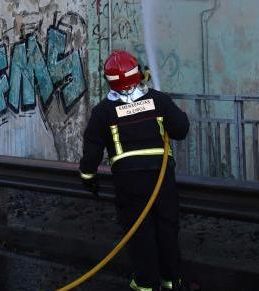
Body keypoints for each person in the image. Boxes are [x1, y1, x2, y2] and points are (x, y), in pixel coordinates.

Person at [78, 50, 190, 291]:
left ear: (109, 81)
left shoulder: (103, 111)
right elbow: (181, 130)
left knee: (139, 230)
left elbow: (92, 149)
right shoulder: (158, 100)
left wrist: (88, 176)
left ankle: (146, 283)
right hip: (161, 177)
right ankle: (172, 281)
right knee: (166, 226)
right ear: (138, 74)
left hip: (128, 180)